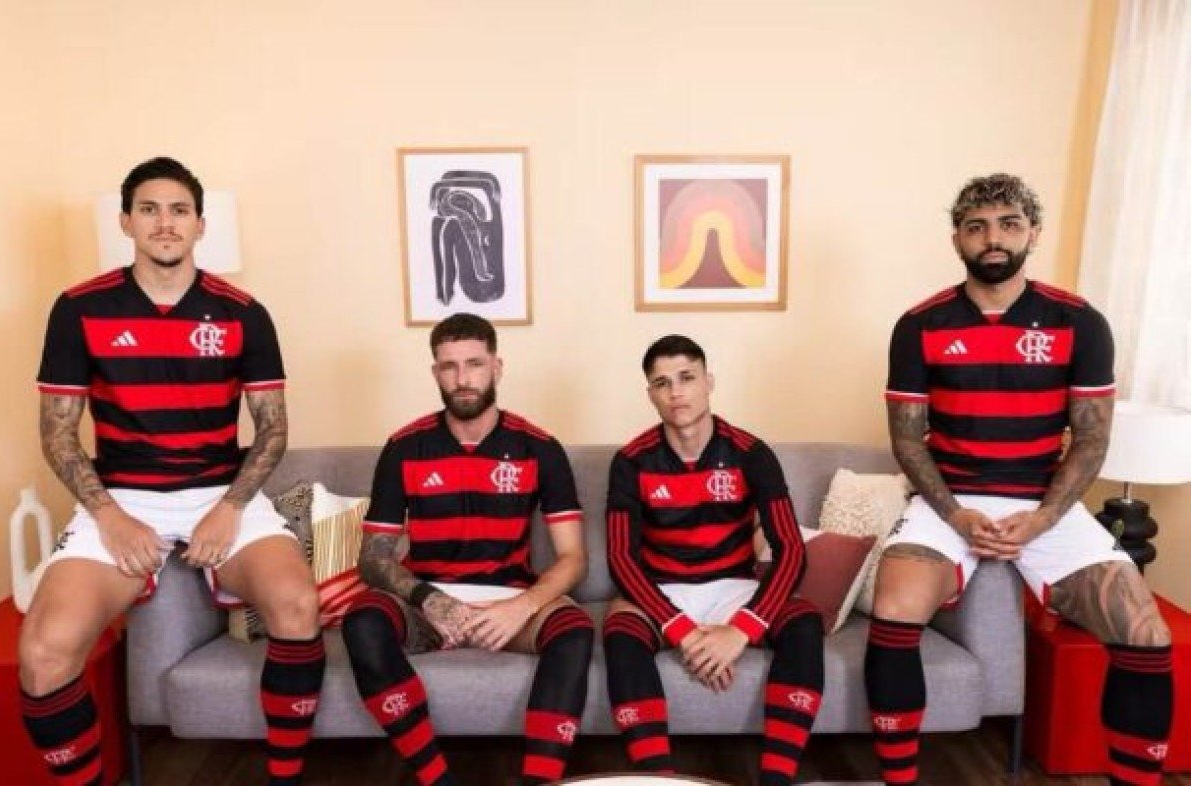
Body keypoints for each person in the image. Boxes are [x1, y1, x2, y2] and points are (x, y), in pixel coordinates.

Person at [20, 157, 323, 785]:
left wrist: (230, 508)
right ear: (126, 221)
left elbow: (273, 429)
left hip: (222, 492)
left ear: (200, 225)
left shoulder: (243, 312)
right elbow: (57, 433)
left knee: (298, 606)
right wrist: (109, 516)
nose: (165, 222)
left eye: (179, 210)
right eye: (150, 209)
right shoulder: (79, 308)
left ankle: (285, 776)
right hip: (122, 497)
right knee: (44, 653)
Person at [869, 173, 1172, 786]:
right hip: (949, 501)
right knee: (893, 610)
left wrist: (1042, 519)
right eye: (976, 227)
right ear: (957, 239)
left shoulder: (1079, 321)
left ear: (1033, 233)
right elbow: (907, 440)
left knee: (1146, 632)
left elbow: (1091, 438)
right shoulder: (920, 324)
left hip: (1044, 503)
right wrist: (956, 514)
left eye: (1009, 224)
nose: (993, 239)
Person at [342, 312, 593, 786]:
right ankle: (437, 778)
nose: (463, 379)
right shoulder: (404, 446)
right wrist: (430, 601)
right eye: (449, 366)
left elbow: (574, 559)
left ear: (497, 367)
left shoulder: (539, 447)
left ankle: (539, 781)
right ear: (435, 372)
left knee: (575, 630)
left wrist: (523, 605)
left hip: (508, 601)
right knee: (362, 622)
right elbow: (373, 560)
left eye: (474, 364)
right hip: (428, 603)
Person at [604, 334, 824, 784]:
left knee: (804, 622)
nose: (676, 391)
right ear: (651, 395)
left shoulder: (751, 453)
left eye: (687, 377)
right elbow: (622, 559)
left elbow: (790, 549)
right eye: (662, 383)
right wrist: (682, 630)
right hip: (661, 592)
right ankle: (658, 779)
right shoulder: (631, 460)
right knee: (620, 633)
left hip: (733, 587)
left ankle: (777, 779)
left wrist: (742, 629)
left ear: (709, 382)